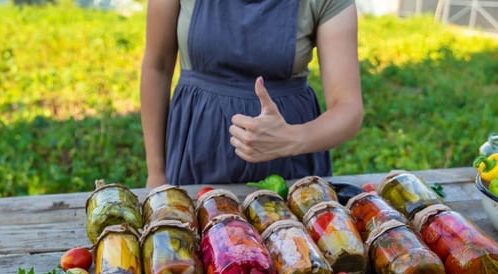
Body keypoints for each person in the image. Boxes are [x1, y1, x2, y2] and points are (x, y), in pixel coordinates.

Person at [141, 0, 364, 188]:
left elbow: (348, 106)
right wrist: (156, 172)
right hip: (197, 155)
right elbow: (157, 68)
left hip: (291, 169)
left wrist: (294, 139)